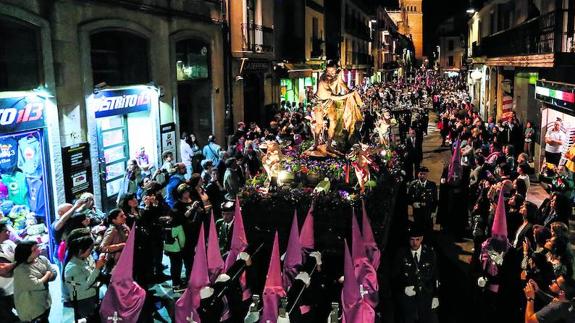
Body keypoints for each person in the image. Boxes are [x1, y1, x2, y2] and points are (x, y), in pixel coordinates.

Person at [392, 225, 439, 323]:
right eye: (412, 239)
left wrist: (436, 296)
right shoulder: (401, 253)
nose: (415, 243)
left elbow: (435, 276)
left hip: (426, 297)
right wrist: (403, 288)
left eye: (417, 239)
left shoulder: (430, 253)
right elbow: (394, 276)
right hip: (408, 298)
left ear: (422, 238)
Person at [64, 234, 106, 321]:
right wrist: (97, 268)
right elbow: (84, 285)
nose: (91, 252)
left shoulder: (82, 261)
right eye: (89, 250)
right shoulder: (72, 267)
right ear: (80, 251)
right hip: (83, 301)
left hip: (90, 298)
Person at [13, 241, 57, 322]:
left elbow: (54, 273)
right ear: (26, 253)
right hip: (32, 309)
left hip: (44, 302)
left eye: (38, 247)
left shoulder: (42, 259)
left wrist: (46, 276)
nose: (38, 249)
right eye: (34, 249)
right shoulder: (20, 270)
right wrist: (47, 274)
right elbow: (37, 285)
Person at [407, 167, 438, 233]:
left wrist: (433, 211)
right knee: (418, 229)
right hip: (417, 212)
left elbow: (435, 200)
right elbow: (408, 197)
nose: (422, 176)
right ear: (418, 174)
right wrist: (412, 203)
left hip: (428, 211)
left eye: (424, 174)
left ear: (427, 174)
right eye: (421, 174)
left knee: (429, 229)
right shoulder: (413, 184)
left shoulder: (432, 185)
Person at [99, 208, 130, 273]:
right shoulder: (112, 230)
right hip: (116, 263)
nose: (125, 217)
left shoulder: (124, 226)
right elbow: (103, 248)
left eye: (124, 215)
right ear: (114, 220)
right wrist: (121, 245)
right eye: (121, 216)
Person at [0, 221, 18, 322]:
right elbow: (3, 270)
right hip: (2, 293)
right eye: (5, 231)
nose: (9, 233)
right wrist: (17, 263)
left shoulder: (9, 244)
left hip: (16, 288)